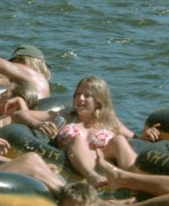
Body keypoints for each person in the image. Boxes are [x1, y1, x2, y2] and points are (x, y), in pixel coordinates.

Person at [12, 75, 157, 187]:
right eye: (77, 94)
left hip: (103, 164)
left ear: (99, 101)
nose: (80, 99)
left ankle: (138, 180)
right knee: (77, 139)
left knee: (119, 140)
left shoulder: (110, 121)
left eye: (87, 95)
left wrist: (145, 136)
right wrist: (36, 124)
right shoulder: (64, 116)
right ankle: (92, 177)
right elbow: (19, 115)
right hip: (75, 166)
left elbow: (135, 139)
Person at [0, 59, 38, 127]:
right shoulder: (2, 114)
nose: (0, 94)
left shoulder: (7, 123)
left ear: (13, 105)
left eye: (5, 92)